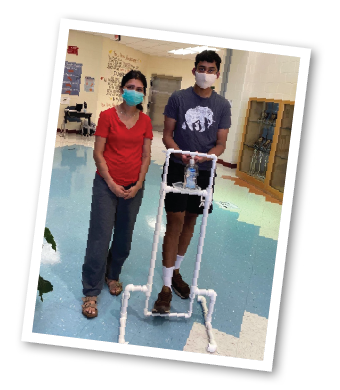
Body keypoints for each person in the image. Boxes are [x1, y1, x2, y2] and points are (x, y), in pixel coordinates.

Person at [152, 50, 231, 314]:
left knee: (190, 221)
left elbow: (220, 143)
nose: (205, 73)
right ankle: (164, 288)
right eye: (201, 68)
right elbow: (167, 135)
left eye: (210, 69)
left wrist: (205, 158)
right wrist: (182, 155)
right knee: (174, 221)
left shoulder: (222, 106)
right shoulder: (178, 98)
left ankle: (175, 272)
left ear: (217, 74)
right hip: (177, 167)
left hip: (205, 172)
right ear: (193, 69)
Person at [82, 70, 153, 318]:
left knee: (124, 237)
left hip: (134, 187)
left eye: (139, 88)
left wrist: (138, 184)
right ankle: (91, 290)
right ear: (122, 89)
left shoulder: (145, 122)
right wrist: (111, 183)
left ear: (144, 93)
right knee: (100, 237)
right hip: (106, 186)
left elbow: (146, 155)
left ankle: (113, 275)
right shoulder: (107, 117)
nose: (134, 91)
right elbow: (98, 153)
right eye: (130, 86)